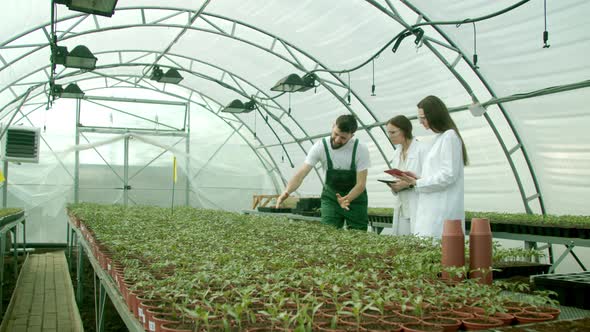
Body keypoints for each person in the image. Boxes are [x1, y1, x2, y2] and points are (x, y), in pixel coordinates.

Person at [276, 115, 370, 230]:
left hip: (355, 199)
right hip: (331, 198)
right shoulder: (320, 147)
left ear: (352, 136)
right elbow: (302, 173)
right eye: (336, 134)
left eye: (343, 138)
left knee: (358, 236)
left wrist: (347, 199)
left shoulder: (360, 149)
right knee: (328, 233)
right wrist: (286, 192)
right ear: (333, 126)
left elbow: (361, 184)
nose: (337, 140)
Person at [399, 95, 468, 238]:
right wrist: (417, 178)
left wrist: (418, 182)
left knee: (438, 249)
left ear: (435, 115)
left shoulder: (449, 137)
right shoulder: (439, 138)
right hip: (432, 208)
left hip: (442, 210)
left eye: (423, 118)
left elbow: (448, 175)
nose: (421, 122)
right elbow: (439, 173)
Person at [382, 115, 429, 235]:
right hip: (403, 206)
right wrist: (395, 186)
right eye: (389, 133)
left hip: (418, 204)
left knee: (419, 242)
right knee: (403, 245)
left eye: (393, 132)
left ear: (404, 130)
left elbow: (429, 179)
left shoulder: (422, 150)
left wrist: (408, 184)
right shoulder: (396, 153)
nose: (390, 136)